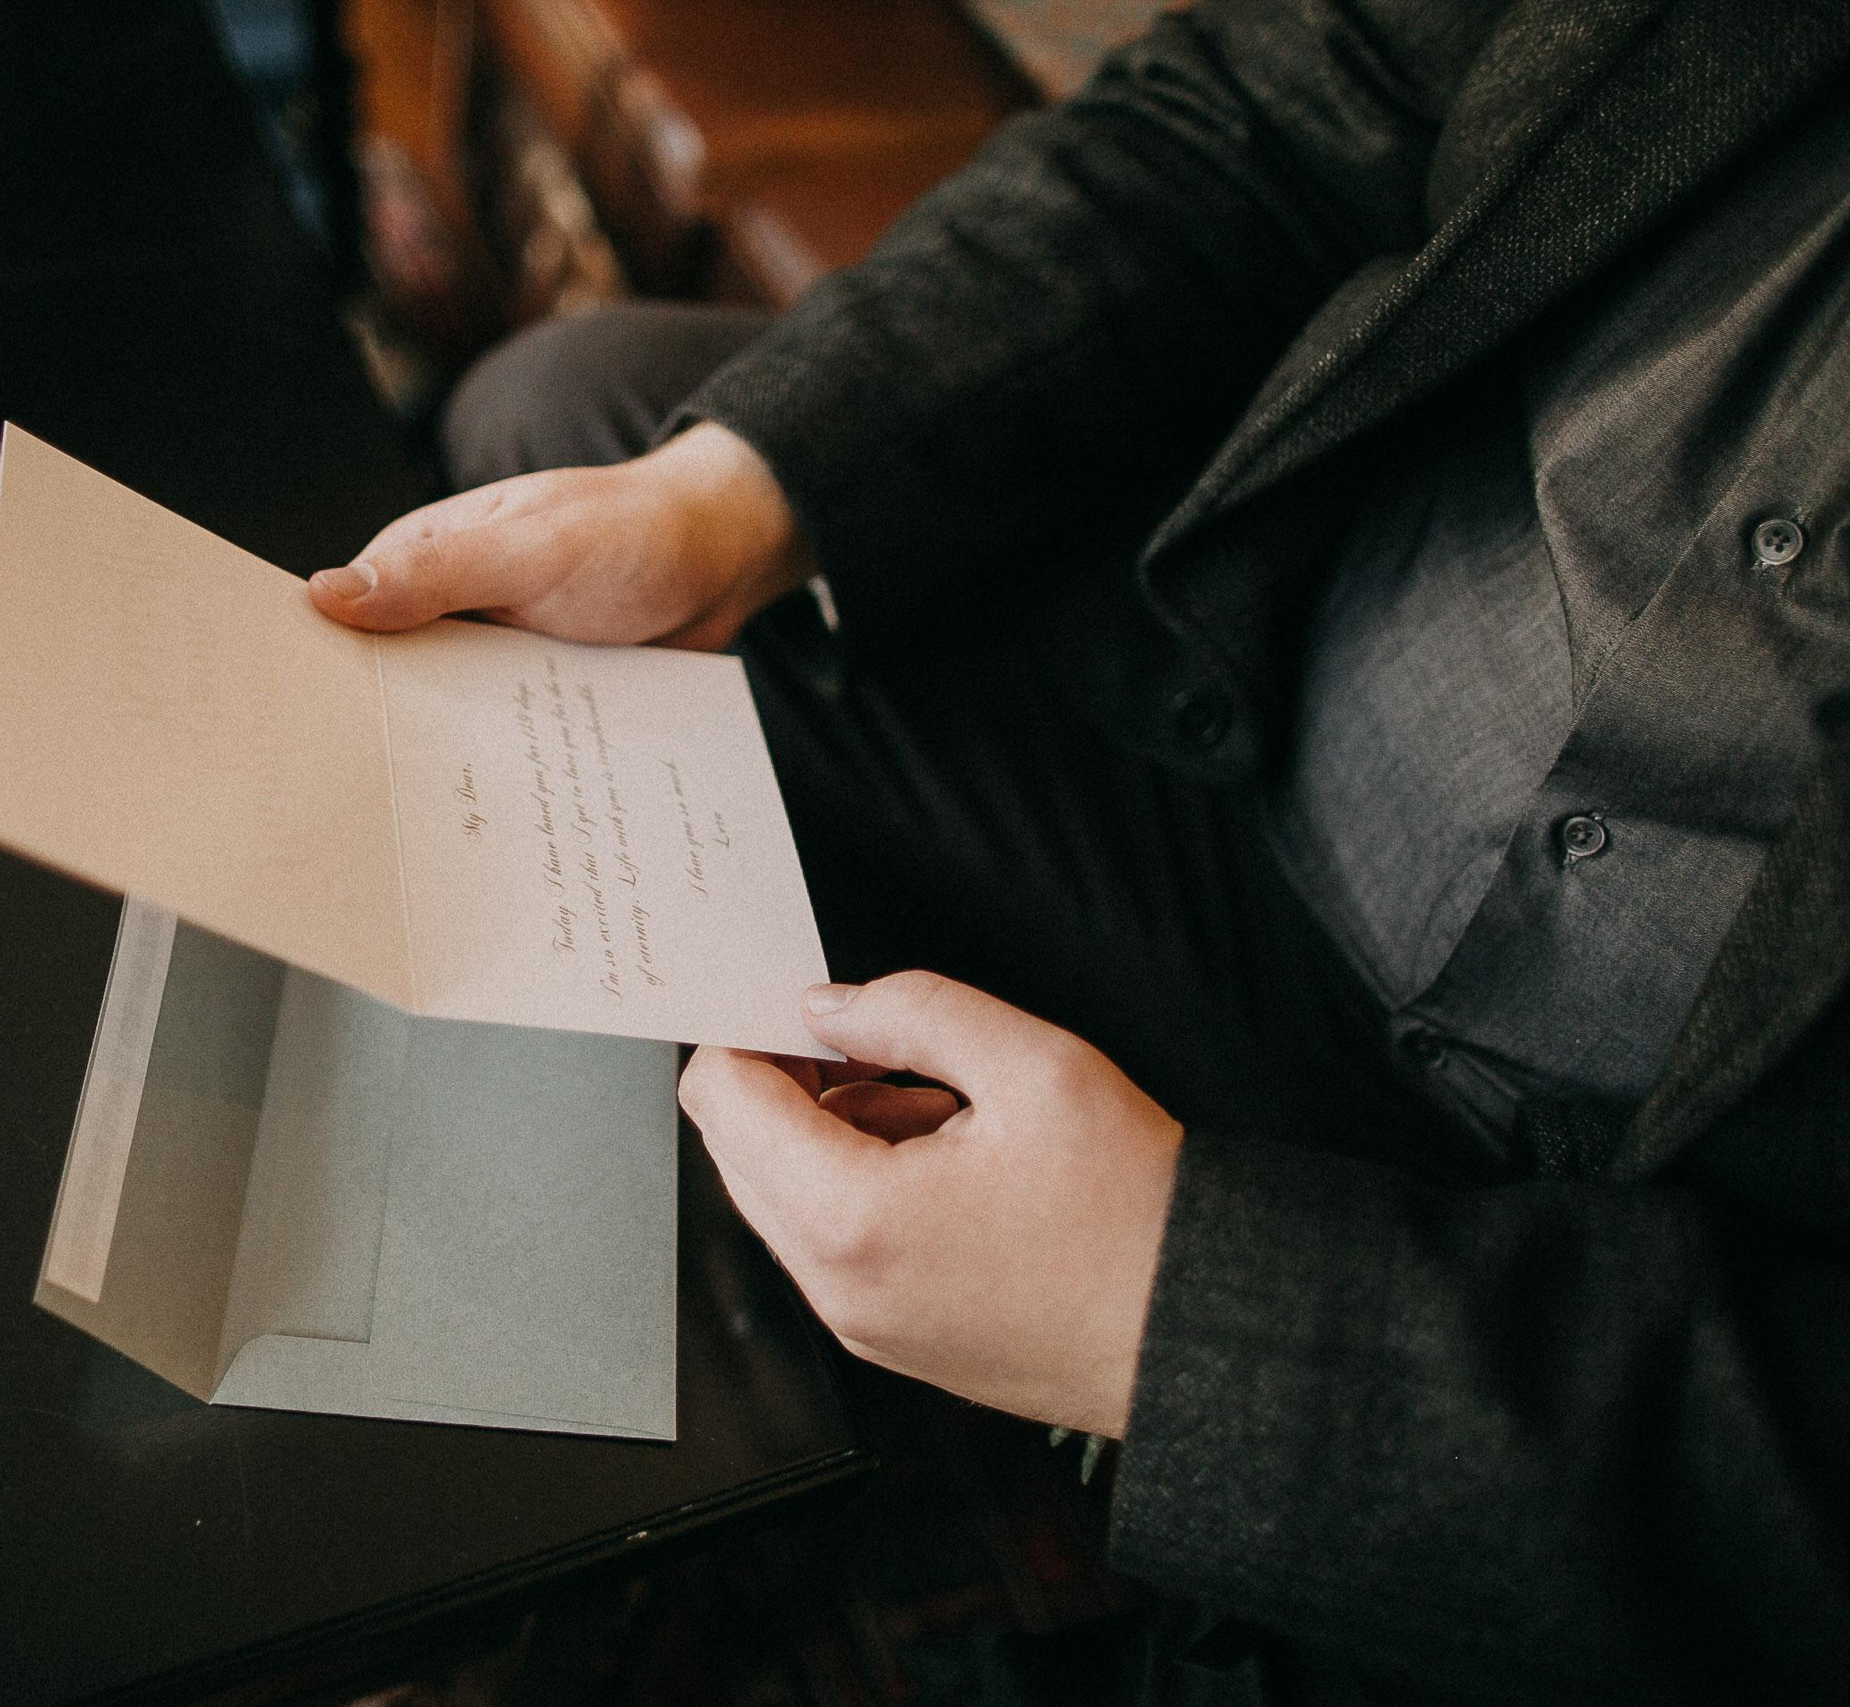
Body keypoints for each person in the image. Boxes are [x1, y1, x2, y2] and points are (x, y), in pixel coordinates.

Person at [311, 2, 1850, 1701]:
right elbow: (1291, 93)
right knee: (566, 420)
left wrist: (1194, 1327)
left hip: (1604, 1282)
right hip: (1246, 720)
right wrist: (730, 500)